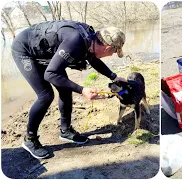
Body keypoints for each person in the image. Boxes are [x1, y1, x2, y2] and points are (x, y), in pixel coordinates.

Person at [11, 20, 126, 159]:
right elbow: (50, 74)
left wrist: (114, 77)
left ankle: (65, 131)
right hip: (25, 50)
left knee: (65, 90)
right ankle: (29, 139)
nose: (113, 55)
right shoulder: (75, 41)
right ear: (108, 48)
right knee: (46, 95)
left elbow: (93, 59)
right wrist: (82, 90)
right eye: (114, 52)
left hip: (45, 52)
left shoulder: (92, 40)